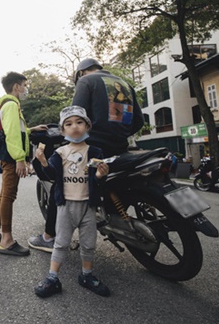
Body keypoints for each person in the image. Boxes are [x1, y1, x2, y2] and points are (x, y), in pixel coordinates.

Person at [29, 58, 144, 253]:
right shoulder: (125, 84)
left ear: (81, 73)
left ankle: (49, 237)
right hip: (121, 148)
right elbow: (139, 121)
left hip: (93, 147)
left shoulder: (86, 81)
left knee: (62, 182)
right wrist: (118, 135)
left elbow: (76, 116)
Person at [33, 105, 110, 298]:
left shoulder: (95, 152)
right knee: (60, 243)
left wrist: (100, 175)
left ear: (87, 126)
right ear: (63, 130)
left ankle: (87, 275)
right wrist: (42, 161)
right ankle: (52, 278)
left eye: (79, 122)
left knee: (88, 243)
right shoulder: (60, 153)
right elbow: (50, 174)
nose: (74, 126)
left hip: (87, 206)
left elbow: (95, 181)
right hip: (65, 206)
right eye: (69, 123)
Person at [0, 72, 47, 256]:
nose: (25, 88)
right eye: (24, 85)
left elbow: (15, 130)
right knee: (9, 196)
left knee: (4, 194)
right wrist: (20, 159)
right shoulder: (12, 105)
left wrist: (31, 129)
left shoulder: (5, 104)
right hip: (12, 157)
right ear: (16, 87)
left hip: (6, 155)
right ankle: (6, 240)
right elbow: (12, 133)